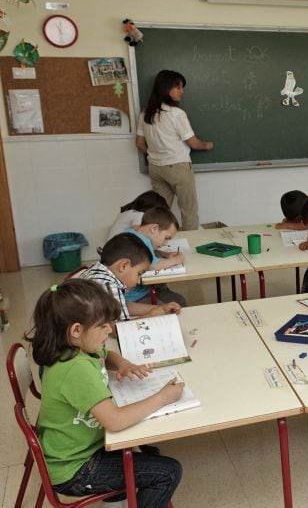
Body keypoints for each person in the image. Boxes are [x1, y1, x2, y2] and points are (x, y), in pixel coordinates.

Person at [24, 279, 183, 506]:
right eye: (103, 326)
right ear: (76, 330)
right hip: (76, 468)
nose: (109, 330)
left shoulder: (75, 348)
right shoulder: (73, 368)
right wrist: (163, 397)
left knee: (146, 455)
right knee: (168, 472)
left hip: (80, 449)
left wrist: (123, 364)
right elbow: (115, 421)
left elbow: (104, 354)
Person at [135, 69, 213, 231]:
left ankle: (159, 242)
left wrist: (156, 152)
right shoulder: (176, 114)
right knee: (188, 211)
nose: (182, 91)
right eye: (178, 87)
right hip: (178, 167)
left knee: (160, 211)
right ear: (166, 89)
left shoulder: (145, 114)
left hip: (156, 168)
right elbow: (193, 143)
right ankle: (191, 245)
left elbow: (140, 144)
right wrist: (207, 145)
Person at [76, 233, 181, 320]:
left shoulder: (97, 269)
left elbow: (124, 306)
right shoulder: (108, 285)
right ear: (123, 265)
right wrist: (151, 315)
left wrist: (161, 308)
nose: (139, 280)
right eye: (139, 273)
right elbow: (120, 330)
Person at [123, 207, 187, 306]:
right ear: (154, 229)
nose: (166, 243)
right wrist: (176, 260)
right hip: (135, 297)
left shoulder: (133, 234)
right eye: (166, 238)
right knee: (178, 303)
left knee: (174, 297)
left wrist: (165, 254)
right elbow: (153, 266)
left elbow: (148, 253)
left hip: (142, 290)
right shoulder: (140, 241)